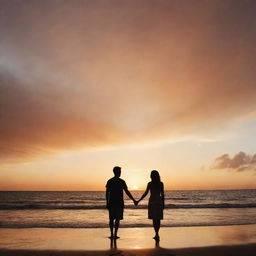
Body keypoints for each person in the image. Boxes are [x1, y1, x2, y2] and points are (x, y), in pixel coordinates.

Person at [106, 166, 136, 239]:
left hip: (117, 202)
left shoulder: (117, 181)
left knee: (116, 219)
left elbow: (126, 191)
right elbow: (107, 192)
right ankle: (113, 234)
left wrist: (133, 199)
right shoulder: (113, 181)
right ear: (115, 172)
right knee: (113, 219)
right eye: (119, 172)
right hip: (115, 202)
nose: (120, 173)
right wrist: (107, 202)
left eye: (120, 172)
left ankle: (114, 234)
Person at [137, 170, 165, 241]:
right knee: (158, 219)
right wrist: (163, 204)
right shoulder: (161, 183)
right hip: (158, 201)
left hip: (152, 201)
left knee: (154, 219)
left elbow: (145, 193)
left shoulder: (150, 184)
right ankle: (157, 234)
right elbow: (162, 195)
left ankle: (156, 234)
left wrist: (139, 200)